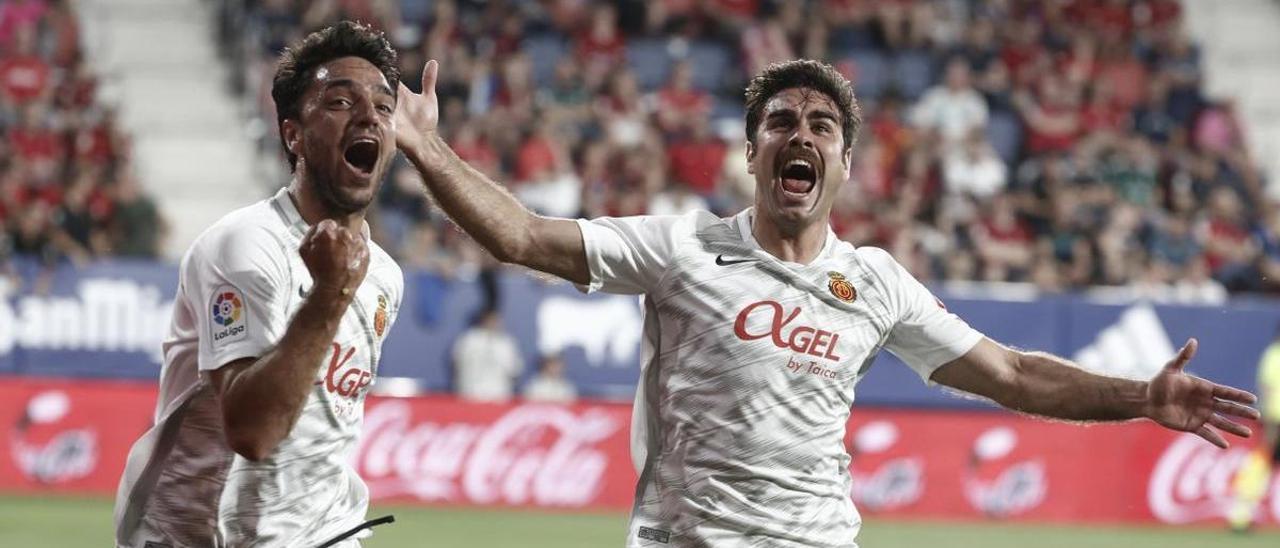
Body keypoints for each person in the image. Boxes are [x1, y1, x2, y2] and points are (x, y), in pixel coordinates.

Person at [394, 58, 1258, 547]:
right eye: (781, 121)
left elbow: (1013, 374)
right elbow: (519, 236)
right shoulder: (681, 247)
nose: (800, 133)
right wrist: (428, 152)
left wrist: (1141, 398)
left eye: (821, 125)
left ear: (844, 163)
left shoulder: (875, 282)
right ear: (753, 152)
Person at [114, 22, 404, 547]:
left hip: (324, 532)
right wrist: (329, 294)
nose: (368, 116)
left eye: (384, 108)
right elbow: (254, 433)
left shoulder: (385, 276)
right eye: (339, 102)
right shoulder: (245, 246)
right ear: (293, 135)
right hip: (192, 535)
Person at [1229, 327, 1280, 532]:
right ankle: (1241, 515)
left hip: (1273, 419)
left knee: (1261, 464)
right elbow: (1267, 387)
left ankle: (1241, 514)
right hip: (1275, 419)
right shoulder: (1275, 354)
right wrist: (1267, 418)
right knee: (1262, 463)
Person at [452, 307, 523, 402]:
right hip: (470, 394)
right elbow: (457, 364)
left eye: (495, 320)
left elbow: (515, 369)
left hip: (499, 396)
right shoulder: (468, 340)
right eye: (489, 319)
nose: (493, 323)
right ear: (482, 320)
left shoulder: (506, 343)